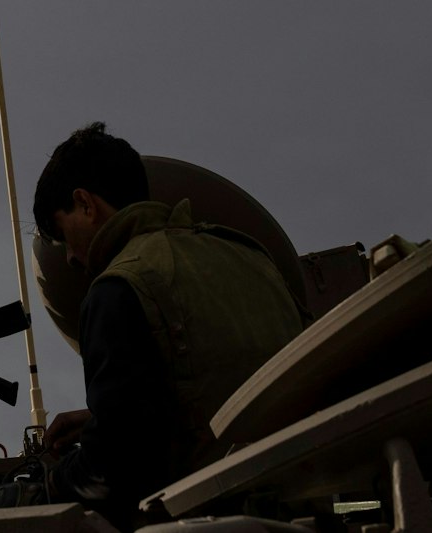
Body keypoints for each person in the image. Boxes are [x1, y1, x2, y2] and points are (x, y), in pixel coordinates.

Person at [32, 123, 304, 528]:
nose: (70, 256)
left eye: (61, 232)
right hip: (298, 508)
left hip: (208, 518)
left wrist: (49, 485)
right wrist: (104, 420)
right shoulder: (250, 256)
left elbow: (114, 471)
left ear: (85, 204)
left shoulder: (119, 288)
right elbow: (224, 384)